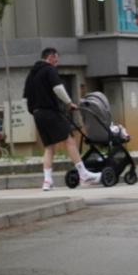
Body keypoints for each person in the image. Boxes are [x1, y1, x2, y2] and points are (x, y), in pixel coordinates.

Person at [23, 47, 91, 190]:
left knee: (49, 147)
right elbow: (58, 88)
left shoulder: (32, 74)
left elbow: (27, 97)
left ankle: (47, 181)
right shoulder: (49, 70)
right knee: (69, 140)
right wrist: (69, 103)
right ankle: (83, 174)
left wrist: (35, 111)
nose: (57, 62)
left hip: (37, 113)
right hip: (50, 111)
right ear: (50, 57)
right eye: (56, 58)